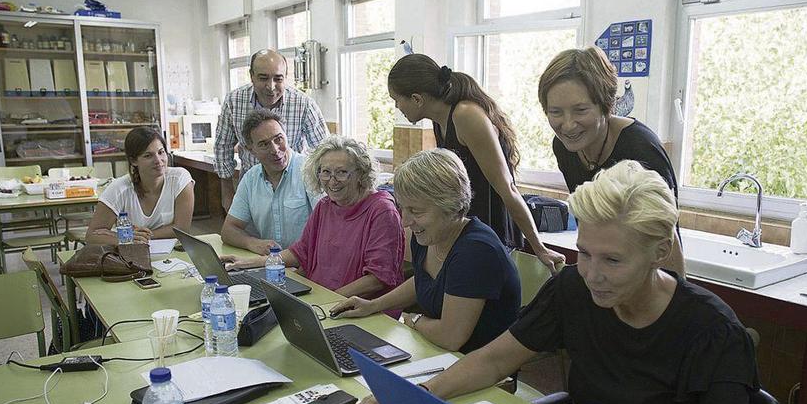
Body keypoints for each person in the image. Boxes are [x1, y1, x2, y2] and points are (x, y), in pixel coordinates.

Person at [352, 160, 760, 404]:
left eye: (613, 260)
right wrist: (420, 395)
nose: (592, 274)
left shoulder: (712, 330)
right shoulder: (574, 289)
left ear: (660, 252)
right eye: (584, 252)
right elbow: (494, 361)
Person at [388, 54, 565, 275]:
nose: (397, 107)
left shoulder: (465, 114)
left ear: (416, 98)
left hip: (491, 227)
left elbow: (507, 188)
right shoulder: (439, 120)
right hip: (469, 224)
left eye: (397, 100)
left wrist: (539, 248)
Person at [332, 148, 521, 354]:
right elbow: (426, 279)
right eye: (402, 208)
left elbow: (450, 337)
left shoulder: (476, 251)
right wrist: (374, 305)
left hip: (477, 367)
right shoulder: (431, 234)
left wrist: (410, 319)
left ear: (450, 204)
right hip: (436, 352)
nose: (405, 221)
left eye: (416, 211)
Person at [539, 46, 685, 276]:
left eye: (580, 110)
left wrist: (674, 304)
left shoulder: (640, 148)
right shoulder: (564, 147)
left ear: (606, 105)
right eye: (556, 112)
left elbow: (667, 236)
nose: (567, 125)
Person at [223, 135, 405, 301]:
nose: (332, 181)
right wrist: (248, 263)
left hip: (360, 308)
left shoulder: (382, 211)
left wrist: (326, 301)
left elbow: (378, 279)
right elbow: (301, 252)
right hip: (320, 299)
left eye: (342, 172)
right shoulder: (326, 205)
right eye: (325, 172)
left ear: (361, 173)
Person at [213, 49, 328, 212]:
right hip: (251, 188)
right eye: (263, 78)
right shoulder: (234, 101)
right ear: (251, 76)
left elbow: (323, 151)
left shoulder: (303, 104)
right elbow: (222, 147)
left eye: (278, 79)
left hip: (294, 188)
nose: (271, 86)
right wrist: (227, 193)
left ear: (285, 77)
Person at [220, 110, 320, 254]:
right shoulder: (250, 179)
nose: (275, 149)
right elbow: (228, 230)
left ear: (287, 136)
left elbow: (328, 230)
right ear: (251, 150)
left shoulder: (310, 171)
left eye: (278, 139)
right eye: (264, 144)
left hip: (307, 264)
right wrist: (252, 243)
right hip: (271, 265)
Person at [86, 127, 194, 244]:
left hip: (172, 255)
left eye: (161, 152)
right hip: (134, 256)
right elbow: (92, 236)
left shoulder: (180, 179)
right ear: (133, 161)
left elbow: (182, 229)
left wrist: (136, 236)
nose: (158, 160)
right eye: (148, 156)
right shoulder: (119, 188)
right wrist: (123, 238)